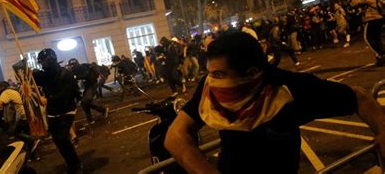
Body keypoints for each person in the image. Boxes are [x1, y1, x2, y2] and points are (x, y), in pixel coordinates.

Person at [165, 32, 385, 173]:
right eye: (211, 73)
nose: (213, 81)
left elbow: (359, 97)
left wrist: (382, 130)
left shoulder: (290, 89)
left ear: (252, 73)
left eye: (221, 74)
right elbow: (175, 136)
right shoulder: (209, 86)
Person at [34, 48, 82, 173]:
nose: (42, 65)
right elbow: (31, 78)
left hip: (66, 110)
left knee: (61, 138)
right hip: (52, 113)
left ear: (50, 60)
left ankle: (75, 165)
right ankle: (72, 162)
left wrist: (49, 99)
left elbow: (67, 94)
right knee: (59, 141)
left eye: (43, 61)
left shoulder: (66, 74)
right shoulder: (44, 75)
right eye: (41, 62)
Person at [0, 81, 39, 158]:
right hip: (29, 113)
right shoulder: (15, 90)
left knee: (12, 132)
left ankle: (32, 140)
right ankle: (33, 155)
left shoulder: (6, 92)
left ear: (2, 87)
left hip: (22, 116)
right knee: (26, 135)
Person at [67, 58, 108, 124]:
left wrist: (76, 77)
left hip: (93, 85)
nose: (71, 67)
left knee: (86, 100)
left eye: (72, 65)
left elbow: (86, 76)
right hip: (88, 86)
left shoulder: (82, 67)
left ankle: (103, 109)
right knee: (84, 103)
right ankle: (90, 119)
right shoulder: (75, 70)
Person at [351, 0, 385, 66]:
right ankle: (382, 55)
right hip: (380, 18)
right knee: (377, 39)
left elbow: (354, 3)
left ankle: (380, 55)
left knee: (367, 38)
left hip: (372, 19)